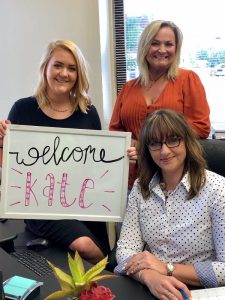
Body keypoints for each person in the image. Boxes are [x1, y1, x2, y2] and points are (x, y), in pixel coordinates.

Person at [0, 40, 110, 264]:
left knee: (97, 259)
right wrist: (1, 142)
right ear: (45, 68)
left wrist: (121, 158)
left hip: (85, 205)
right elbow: (9, 167)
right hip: (43, 206)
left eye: (72, 68)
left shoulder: (88, 113)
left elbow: (99, 166)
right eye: (58, 65)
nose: (64, 73)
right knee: (84, 246)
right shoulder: (23, 109)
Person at [114, 109, 225, 300]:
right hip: (151, 287)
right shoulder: (141, 188)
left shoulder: (217, 190)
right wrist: (149, 277)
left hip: (197, 291)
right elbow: (125, 249)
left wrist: (167, 269)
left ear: (187, 141)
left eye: (173, 139)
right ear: (147, 149)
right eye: (155, 143)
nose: (164, 151)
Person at [109, 20, 210, 191]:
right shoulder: (128, 88)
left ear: (176, 49)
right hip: (133, 180)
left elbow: (201, 127)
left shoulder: (188, 79)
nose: (162, 50)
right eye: (155, 43)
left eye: (168, 44)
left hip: (175, 179)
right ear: (144, 47)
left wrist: (148, 142)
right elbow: (115, 131)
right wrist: (127, 144)